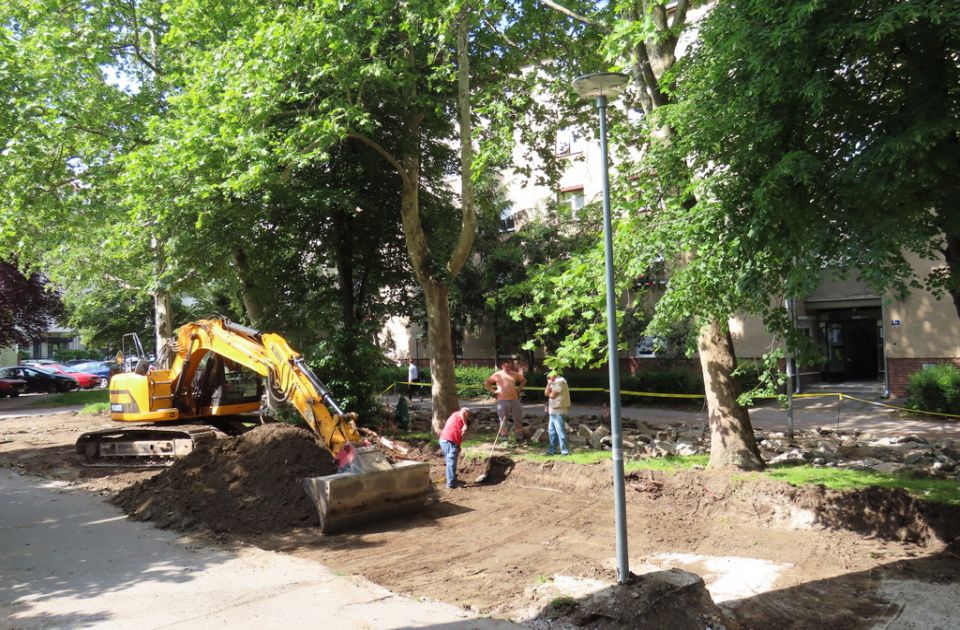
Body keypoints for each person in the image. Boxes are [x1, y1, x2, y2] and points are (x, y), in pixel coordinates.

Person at [484, 360, 527, 443]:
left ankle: (519, 436)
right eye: (506, 366)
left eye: (509, 367)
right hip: (502, 401)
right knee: (503, 419)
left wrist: (518, 389)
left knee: (517, 418)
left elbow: (524, 380)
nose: (508, 368)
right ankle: (504, 437)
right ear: (502, 366)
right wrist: (494, 391)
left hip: (514, 399)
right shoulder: (497, 374)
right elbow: (486, 383)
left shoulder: (515, 374)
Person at [438, 407, 470, 489]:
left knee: (451, 462)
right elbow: (463, 412)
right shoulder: (459, 414)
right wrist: (465, 425)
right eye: (468, 415)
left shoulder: (456, 417)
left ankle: (452, 480)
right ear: (466, 413)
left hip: (447, 440)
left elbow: (458, 435)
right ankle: (451, 484)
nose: (467, 417)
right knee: (451, 463)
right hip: (449, 440)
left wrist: (458, 447)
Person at [543, 371, 571, 455]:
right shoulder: (553, 382)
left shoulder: (560, 381)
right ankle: (552, 449)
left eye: (549, 376)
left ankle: (565, 451)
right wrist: (548, 384)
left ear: (554, 375)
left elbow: (552, 395)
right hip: (552, 409)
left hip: (559, 409)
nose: (548, 378)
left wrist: (550, 391)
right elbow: (546, 393)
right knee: (551, 431)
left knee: (560, 430)